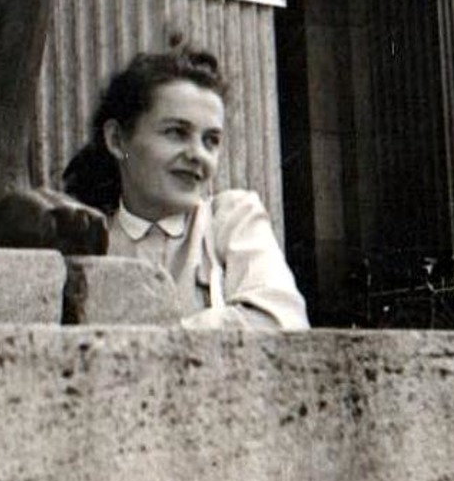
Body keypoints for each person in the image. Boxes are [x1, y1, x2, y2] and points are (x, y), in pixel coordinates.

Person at [64, 41, 309, 331]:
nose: (198, 155)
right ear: (117, 140)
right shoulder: (89, 241)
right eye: (176, 133)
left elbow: (280, 322)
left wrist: (163, 337)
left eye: (211, 140)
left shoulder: (230, 220)